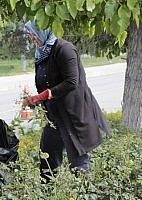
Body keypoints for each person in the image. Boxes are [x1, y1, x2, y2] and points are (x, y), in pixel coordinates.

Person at [23, 21, 110, 181]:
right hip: (54, 114)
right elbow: (45, 80)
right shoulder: (42, 52)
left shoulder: (64, 49)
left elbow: (71, 81)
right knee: (47, 158)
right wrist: (34, 100)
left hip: (72, 113)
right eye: (30, 34)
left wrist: (42, 96)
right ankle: (48, 192)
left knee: (79, 161)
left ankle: (85, 193)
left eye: (33, 34)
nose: (32, 38)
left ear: (43, 31)